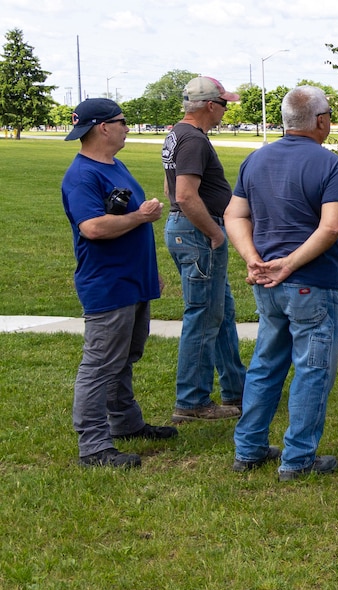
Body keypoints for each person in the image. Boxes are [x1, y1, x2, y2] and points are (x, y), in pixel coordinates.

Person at [225, 86, 338, 479]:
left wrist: (254, 259)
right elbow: (332, 226)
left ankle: (248, 449)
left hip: (267, 285)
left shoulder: (255, 159)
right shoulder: (330, 165)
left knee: (266, 364)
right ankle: (298, 458)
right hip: (310, 283)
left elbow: (234, 216)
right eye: (329, 115)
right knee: (312, 369)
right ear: (320, 120)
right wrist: (289, 264)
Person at [60, 98, 177, 467]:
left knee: (125, 357)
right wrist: (141, 217)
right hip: (108, 284)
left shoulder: (114, 165)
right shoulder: (82, 175)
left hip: (133, 280)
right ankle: (94, 446)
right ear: (103, 127)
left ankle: (125, 423)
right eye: (123, 121)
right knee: (99, 365)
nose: (128, 127)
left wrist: (147, 273)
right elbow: (92, 227)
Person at [162, 76, 246, 423]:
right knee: (202, 315)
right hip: (198, 233)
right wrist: (215, 233)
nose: (226, 111)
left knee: (220, 311)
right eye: (224, 104)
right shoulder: (194, 139)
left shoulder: (177, 134)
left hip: (186, 230)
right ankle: (192, 401)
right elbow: (184, 194)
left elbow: (171, 189)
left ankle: (237, 390)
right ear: (210, 105)